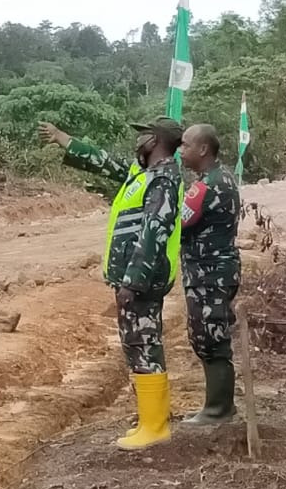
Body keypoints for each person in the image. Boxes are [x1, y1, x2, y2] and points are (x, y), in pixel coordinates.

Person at [38, 117, 185, 451]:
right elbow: (107, 162)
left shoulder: (163, 179)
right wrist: (66, 140)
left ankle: (155, 426)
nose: (137, 141)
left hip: (143, 281)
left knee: (145, 347)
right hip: (138, 279)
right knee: (139, 347)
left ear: (155, 140)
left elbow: (153, 233)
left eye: (142, 135)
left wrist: (132, 282)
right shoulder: (143, 175)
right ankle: (150, 421)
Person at [177, 124, 241, 425]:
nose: (181, 150)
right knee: (212, 333)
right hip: (219, 270)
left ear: (203, 149)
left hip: (209, 273)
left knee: (210, 336)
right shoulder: (224, 176)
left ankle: (218, 409)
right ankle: (218, 406)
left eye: (186, 145)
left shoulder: (205, 186)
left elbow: (179, 223)